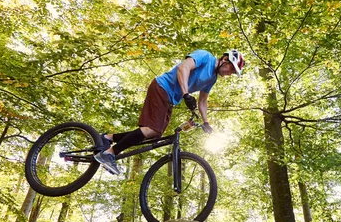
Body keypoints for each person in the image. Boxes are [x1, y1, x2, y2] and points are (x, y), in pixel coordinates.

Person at [95, 49, 245, 175]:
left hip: (171, 99)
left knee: (154, 134)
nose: (229, 73)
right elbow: (183, 68)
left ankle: (108, 138)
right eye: (231, 68)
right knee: (152, 129)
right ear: (225, 59)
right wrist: (186, 94)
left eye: (233, 72)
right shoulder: (205, 57)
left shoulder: (212, 79)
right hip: (162, 87)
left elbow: (203, 101)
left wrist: (206, 122)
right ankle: (109, 153)